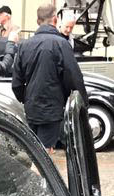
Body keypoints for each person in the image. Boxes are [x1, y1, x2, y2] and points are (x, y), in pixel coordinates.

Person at [12, 3, 89, 151]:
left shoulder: (24, 45)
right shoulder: (61, 44)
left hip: (32, 108)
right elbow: (74, 78)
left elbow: (16, 82)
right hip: (52, 108)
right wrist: (83, 104)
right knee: (44, 153)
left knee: (34, 150)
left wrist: (26, 98)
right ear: (55, 19)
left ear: (38, 21)